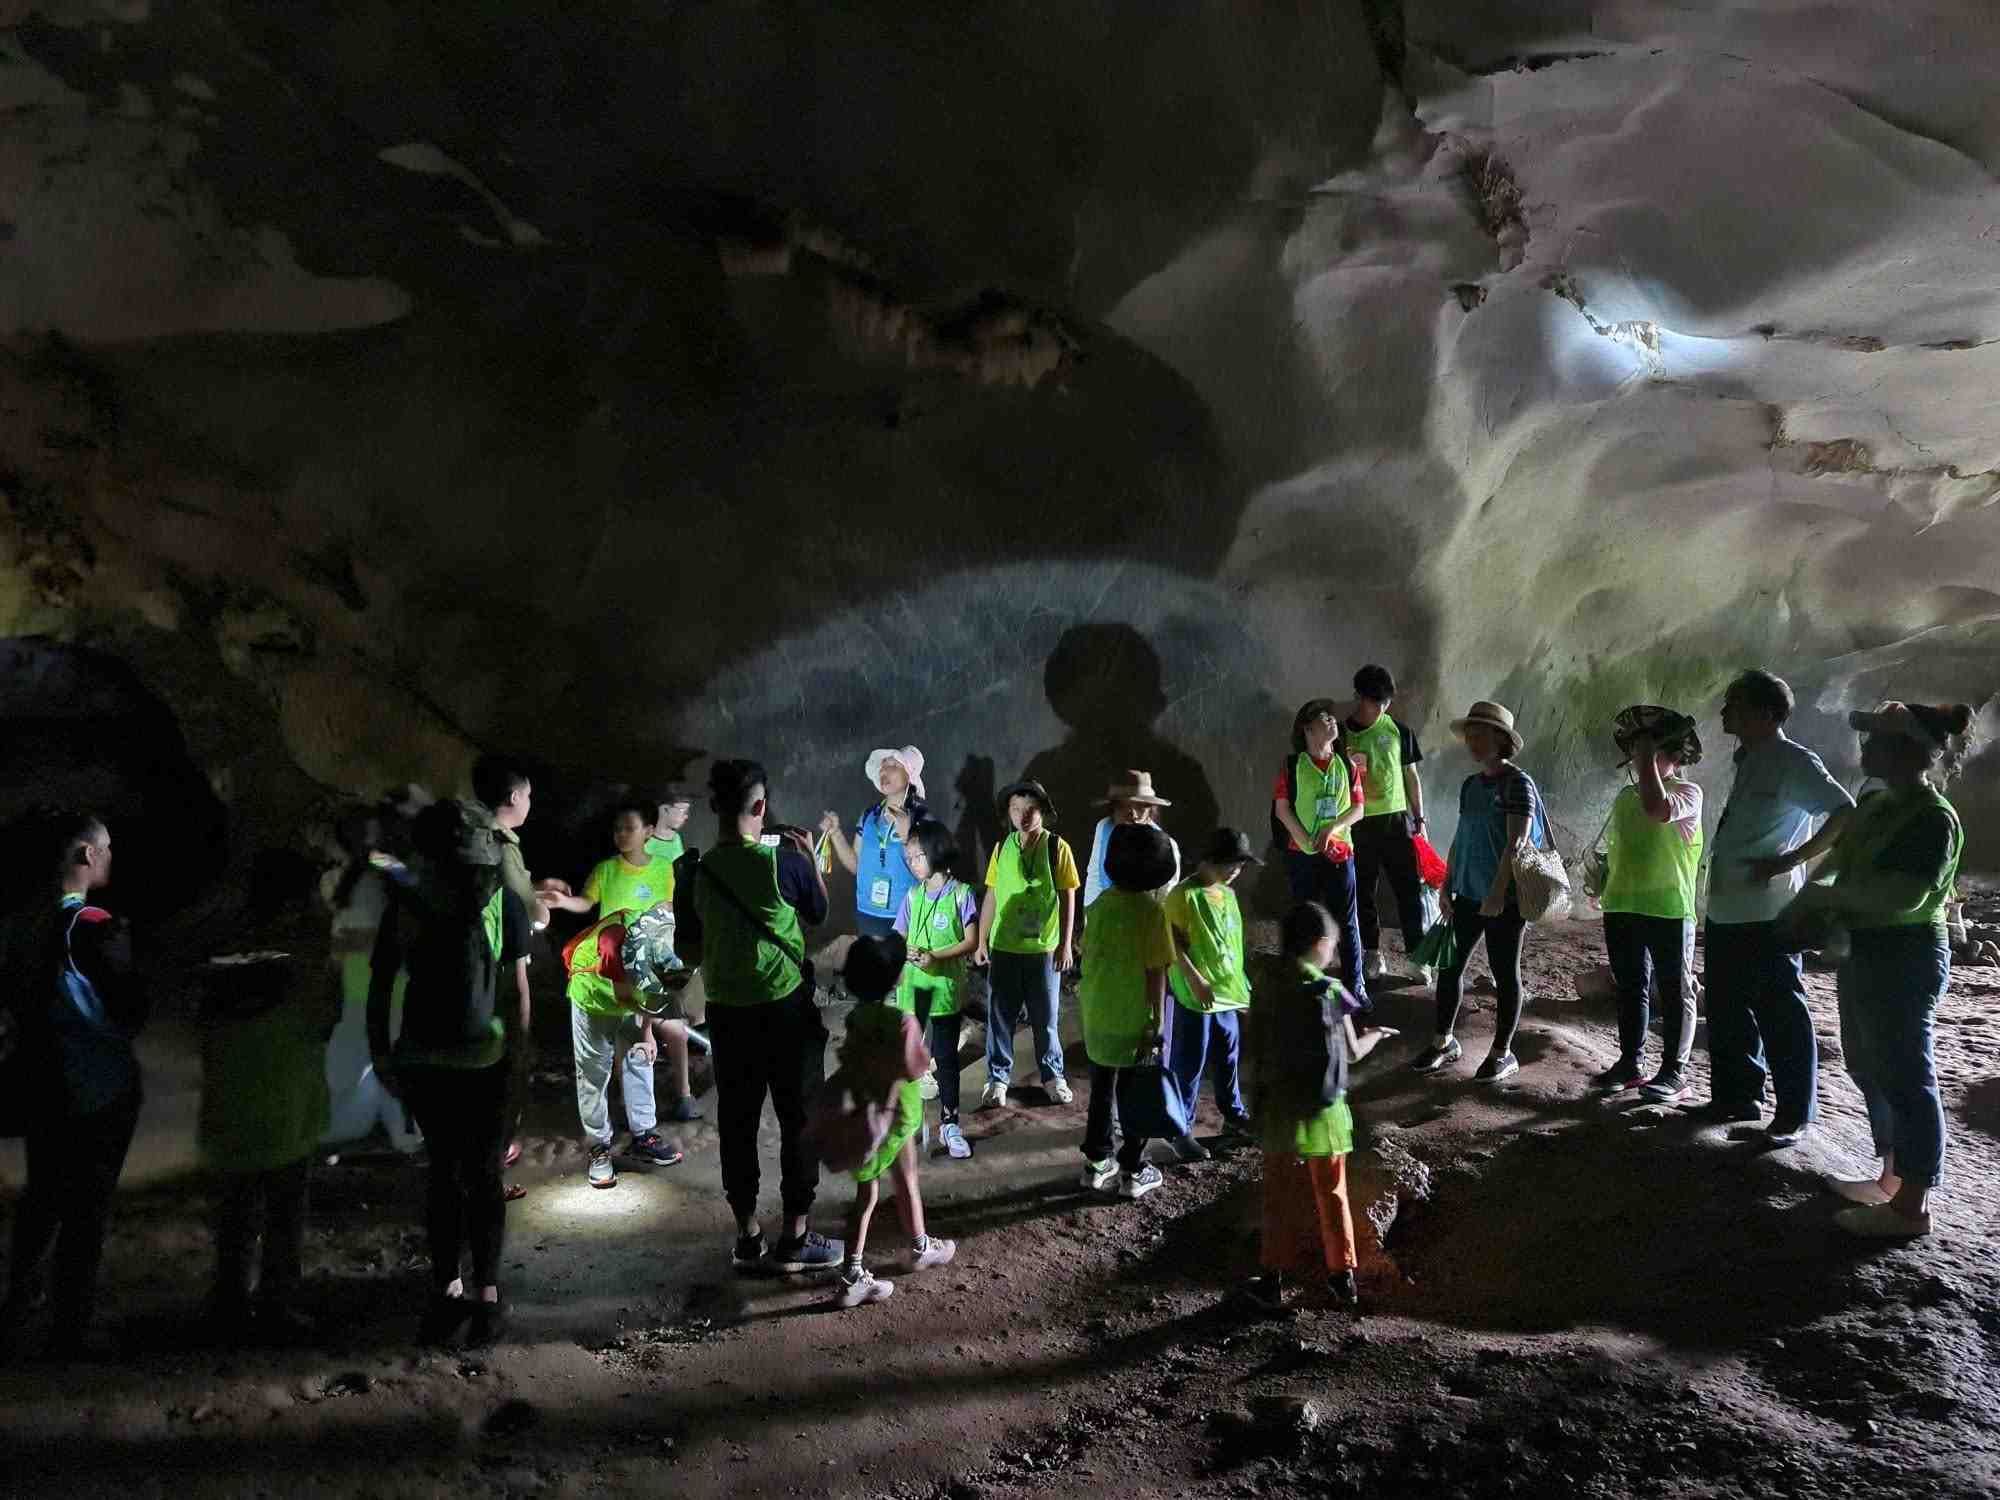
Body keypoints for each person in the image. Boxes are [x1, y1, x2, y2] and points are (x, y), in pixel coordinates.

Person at [1784, 701, 1971, 1237]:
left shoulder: (1934, 819)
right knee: (1868, 1063)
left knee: (1908, 1074)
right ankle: (1890, 1179)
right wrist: (1809, 905)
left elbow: (1907, 896)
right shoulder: (1878, 808)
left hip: (1907, 953)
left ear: (1906, 751)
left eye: (1877, 740)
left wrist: (1829, 902)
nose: (1865, 748)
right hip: (1866, 950)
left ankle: (1912, 1206)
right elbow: (1838, 864)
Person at [673, 759, 842, 1274]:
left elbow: (687, 948)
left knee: (738, 1122)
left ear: (714, 807)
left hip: (728, 1017)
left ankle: (747, 1236)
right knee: (799, 1121)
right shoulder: (784, 864)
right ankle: (796, 1235)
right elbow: (818, 913)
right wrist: (810, 858)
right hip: (785, 1013)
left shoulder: (695, 873)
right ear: (761, 808)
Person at [368, 802, 527, 1347]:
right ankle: (487, 1296)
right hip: (486, 1058)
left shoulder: (407, 902)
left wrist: (382, 1054)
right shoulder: (501, 899)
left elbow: (382, 983)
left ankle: (447, 1291)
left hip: (421, 1057)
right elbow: (518, 995)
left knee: (442, 1172)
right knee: (483, 1175)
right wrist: (520, 1065)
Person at [0, 810, 147, 1360]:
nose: (110, 856)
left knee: (42, 1201)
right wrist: (128, 964)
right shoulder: (92, 924)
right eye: (105, 847)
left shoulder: (20, 923)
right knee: (86, 1210)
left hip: (43, 1083)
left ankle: (18, 1308)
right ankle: (70, 1328)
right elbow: (130, 1013)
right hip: (96, 1087)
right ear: (85, 854)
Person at [1699, 669, 1856, 1142]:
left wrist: (1791, 859)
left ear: (1766, 713)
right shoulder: (1747, 759)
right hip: (1727, 910)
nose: (1725, 711)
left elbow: (1845, 812)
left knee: (1781, 1013)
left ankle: (1793, 1114)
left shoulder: (1793, 761)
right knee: (1727, 1010)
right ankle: (1737, 1098)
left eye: (1734, 703)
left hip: (1768, 913)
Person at [199, 851, 339, 1341]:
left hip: (231, 1100)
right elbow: (325, 1018)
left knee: (235, 1214)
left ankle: (228, 1304)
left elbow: (203, 1020)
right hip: (286, 1102)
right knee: (284, 1215)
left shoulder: (220, 947)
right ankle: (277, 1304)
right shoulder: (303, 958)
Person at [1243, 902, 1387, 1314]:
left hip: (1280, 1111)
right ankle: (1343, 1280)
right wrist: (1376, 1034)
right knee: (1333, 1195)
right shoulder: (1331, 992)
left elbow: (1258, 1047)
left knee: (1278, 1198)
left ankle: (1271, 1281)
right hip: (1326, 1116)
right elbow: (1354, 1052)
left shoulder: (1267, 986)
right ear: (1321, 944)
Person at [542, 800, 688, 1189]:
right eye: (617, 829)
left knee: (640, 1056)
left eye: (629, 827)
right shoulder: (607, 878)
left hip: (632, 978)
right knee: (594, 1068)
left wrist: (646, 1032)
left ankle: (643, 1133)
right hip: (596, 987)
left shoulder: (662, 881)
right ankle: (599, 1144)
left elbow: (652, 986)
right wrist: (560, 903)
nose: (621, 835)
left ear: (647, 831)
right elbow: (587, 904)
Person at [1410, 701, 1544, 1084]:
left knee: (1505, 973)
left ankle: (1503, 1053)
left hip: (1505, 899)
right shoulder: (1471, 785)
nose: (1471, 741)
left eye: (1480, 734)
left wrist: (1499, 893)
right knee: (1450, 968)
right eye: (1469, 734)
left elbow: (1515, 845)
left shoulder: (1518, 784)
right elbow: (1461, 838)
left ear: (1500, 739)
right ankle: (1443, 1042)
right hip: (1467, 893)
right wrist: (1448, 883)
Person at [828, 935, 959, 1307]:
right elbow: (915, 1067)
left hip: (872, 1114)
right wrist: (927, 1057)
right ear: (896, 978)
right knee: (869, 1195)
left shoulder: (856, 1019)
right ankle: (852, 1276)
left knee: (903, 1180)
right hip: (895, 1117)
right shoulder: (903, 1022)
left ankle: (920, 1247)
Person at [1589, 708, 1705, 1103]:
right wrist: (1604, 876)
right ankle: (1630, 1063)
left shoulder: (1688, 793)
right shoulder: (1625, 797)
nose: (1638, 759)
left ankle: (1675, 1072)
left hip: (1669, 909)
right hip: (1623, 905)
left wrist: (1645, 760)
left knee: (1675, 990)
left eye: (1647, 749)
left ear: (1672, 753)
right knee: (1631, 987)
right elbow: (1624, 847)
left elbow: (1658, 810)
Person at [1076, 823, 1179, 1201]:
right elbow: (1157, 974)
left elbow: (1090, 955)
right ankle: (1134, 1169)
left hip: (1097, 1019)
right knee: (1136, 1097)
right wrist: (1156, 1023)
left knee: (1101, 1093)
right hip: (1134, 1024)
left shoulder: (1098, 906)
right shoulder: (1151, 913)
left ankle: (1096, 1163)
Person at [972, 779, 1081, 1109]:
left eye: (1030, 809)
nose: (1022, 816)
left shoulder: (1057, 848)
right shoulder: (1001, 848)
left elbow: (1068, 896)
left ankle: (1052, 1076)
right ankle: (997, 1078)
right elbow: (991, 894)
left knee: (1045, 1017)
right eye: (1016, 809)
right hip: (1005, 946)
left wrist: (1065, 944)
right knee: (1000, 1017)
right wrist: (981, 940)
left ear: (1043, 812)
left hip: (1042, 949)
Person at [322, 801, 424, 1153]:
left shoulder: (369, 871)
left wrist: (341, 944)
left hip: (373, 985)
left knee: (365, 1062)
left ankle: (393, 1132)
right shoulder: (375, 870)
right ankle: (403, 1134)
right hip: (376, 985)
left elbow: (366, 932)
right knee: (383, 1062)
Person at [1161, 828, 1260, 1163]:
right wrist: (1194, 978)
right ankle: (1180, 1129)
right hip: (1193, 994)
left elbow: (1230, 946)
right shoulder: (1183, 896)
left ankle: (1232, 1114)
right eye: (1231, 863)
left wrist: (1241, 989)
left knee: (1228, 1053)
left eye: (1241, 865)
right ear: (1209, 860)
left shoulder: (1228, 896)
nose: (1236, 871)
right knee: (1189, 1062)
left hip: (1225, 995)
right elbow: (1170, 941)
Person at [1272, 699, 1370, 1017]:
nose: (1332, 721)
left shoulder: (1347, 764)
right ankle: (1304, 988)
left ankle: (1355, 989)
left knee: (1347, 922)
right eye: (1323, 717)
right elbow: (1282, 807)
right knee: (1306, 921)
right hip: (1302, 855)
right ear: (1307, 728)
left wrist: (1333, 828)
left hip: (1341, 854)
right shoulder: (1292, 766)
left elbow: (1358, 808)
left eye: (1332, 717)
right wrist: (1305, 841)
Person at [893, 819, 980, 1160]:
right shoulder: (912, 896)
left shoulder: (961, 894)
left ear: (937, 851)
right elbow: (898, 936)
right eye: (910, 858)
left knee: (944, 1058)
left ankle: (950, 1123)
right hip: (913, 992)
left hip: (944, 992)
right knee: (910, 1058)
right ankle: (910, 1122)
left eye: (917, 856)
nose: (912, 863)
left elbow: (971, 941)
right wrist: (906, 954)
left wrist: (935, 957)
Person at [1345, 665, 1431, 984]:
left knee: (1408, 889)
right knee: (1364, 890)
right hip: (1358, 822)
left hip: (1397, 821)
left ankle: (1418, 958)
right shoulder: (1342, 735)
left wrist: (1419, 820)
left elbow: (1411, 776)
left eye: (1385, 702)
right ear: (1358, 698)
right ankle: (1372, 954)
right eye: (1374, 701)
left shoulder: (1399, 731)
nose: (1381, 708)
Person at [821, 747, 929, 940]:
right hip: (867, 915)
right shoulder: (869, 816)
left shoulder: (922, 818)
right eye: (883, 766)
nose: (884, 770)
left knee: (904, 970)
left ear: (909, 776)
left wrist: (907, 838)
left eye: (893, 765)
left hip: (906, 918)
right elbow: (856, 865)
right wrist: (836, 833)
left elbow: (929, 876)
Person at [1082, 771, 1181, 907]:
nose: (1132, 814)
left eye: (1140, 806)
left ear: (1150, 808)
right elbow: (1094, 876)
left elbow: (1165, 898)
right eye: (1123, 806)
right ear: (1113, 808)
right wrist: (1091, 919)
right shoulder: (1104, 828)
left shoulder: (1166, 846)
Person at [646, 788, 694, 865]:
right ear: (665, 809)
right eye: (683, 811)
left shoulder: (676, 838)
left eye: (687, 812)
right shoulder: (646, 843)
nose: (686, 816)